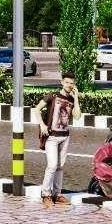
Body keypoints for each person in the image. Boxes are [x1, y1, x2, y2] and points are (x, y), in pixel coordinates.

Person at [33, 76, 81, 205]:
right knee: (52, 165)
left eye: (72, 83)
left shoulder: (71, 99)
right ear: (62, 83)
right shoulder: (52, 96)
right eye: (67, 82)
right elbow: (37, 109)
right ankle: (46, 194)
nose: (69, 85)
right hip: (52, 137)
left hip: (65, 137)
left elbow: (77, 116)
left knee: (60, 166)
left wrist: (76, 98)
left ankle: (57, 194)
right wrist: (42, 125)